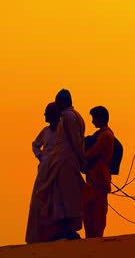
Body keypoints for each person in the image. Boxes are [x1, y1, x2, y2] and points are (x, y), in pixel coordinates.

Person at [37, 89, 86, 241]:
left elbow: (76, 141)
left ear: (62, 102)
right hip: (61, 162)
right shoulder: (71, 116)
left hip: (65, 162)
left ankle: (67, 229)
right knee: (60, 195)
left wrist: (82, 159)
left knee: (67, 197)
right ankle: (62, 229)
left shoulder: (68, 117)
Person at [25, 102, 60, 243]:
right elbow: (35, 144)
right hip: (44, 170)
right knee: (37, 201)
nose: (45, 115)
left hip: (57, 169)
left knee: (55, 200)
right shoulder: (45, 131)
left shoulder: (62, 130)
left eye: (47, 112)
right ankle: (36, 236)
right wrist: (40, 156)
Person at [83, 106, 114, 238]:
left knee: (98, 212)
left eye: (94, 118)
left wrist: (81, 157)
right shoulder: (100, 134)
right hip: (92, 177)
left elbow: (93, 152)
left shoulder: (106, 135)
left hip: (100, 178)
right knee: (88, 210)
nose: (92, 121)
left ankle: (96, 239)